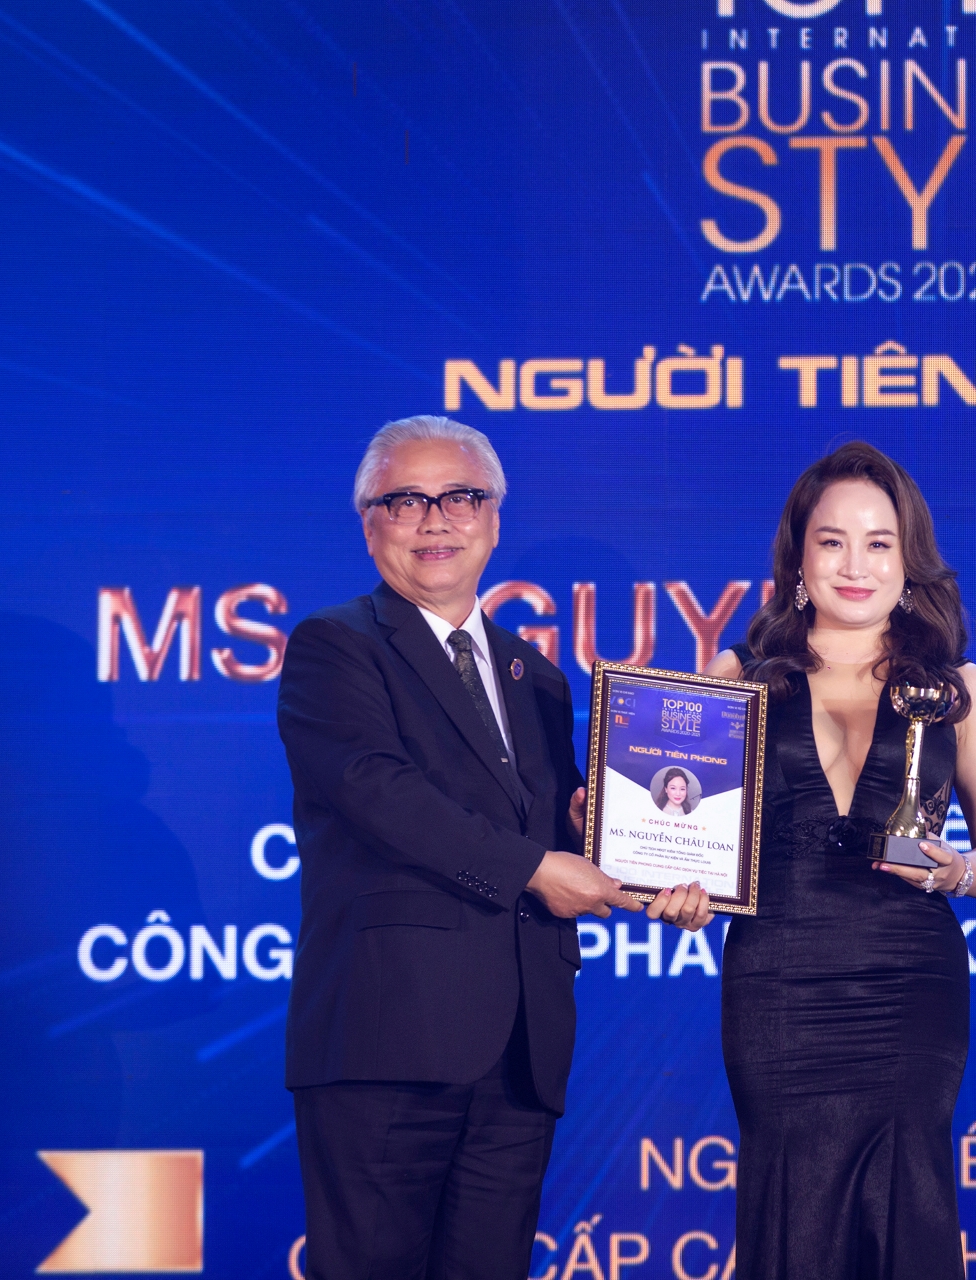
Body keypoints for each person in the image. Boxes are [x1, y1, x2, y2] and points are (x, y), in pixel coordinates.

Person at [277, 415, 695, 1279]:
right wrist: (538, 868)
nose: (436, 521)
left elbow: (558, 827)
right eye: (405, 501)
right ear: (368, 524)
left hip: (519, 1048)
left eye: (460, 497)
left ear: (494, 519)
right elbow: (378, 792)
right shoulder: (336, 645)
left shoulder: (534, 674)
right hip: (388, 1039)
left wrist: (657, 868)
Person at [658, 441, 976, 1280]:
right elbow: (679, 826)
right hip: (777, 982)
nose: (855, 565)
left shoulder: (961, 688)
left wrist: (959, 870)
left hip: (910, 983)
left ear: (909, 561)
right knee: (793, 1198)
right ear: (799, 559)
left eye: (878, 543)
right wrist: (669, 882)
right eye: (832, 542)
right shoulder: (736, 677)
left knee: (907, 1194)